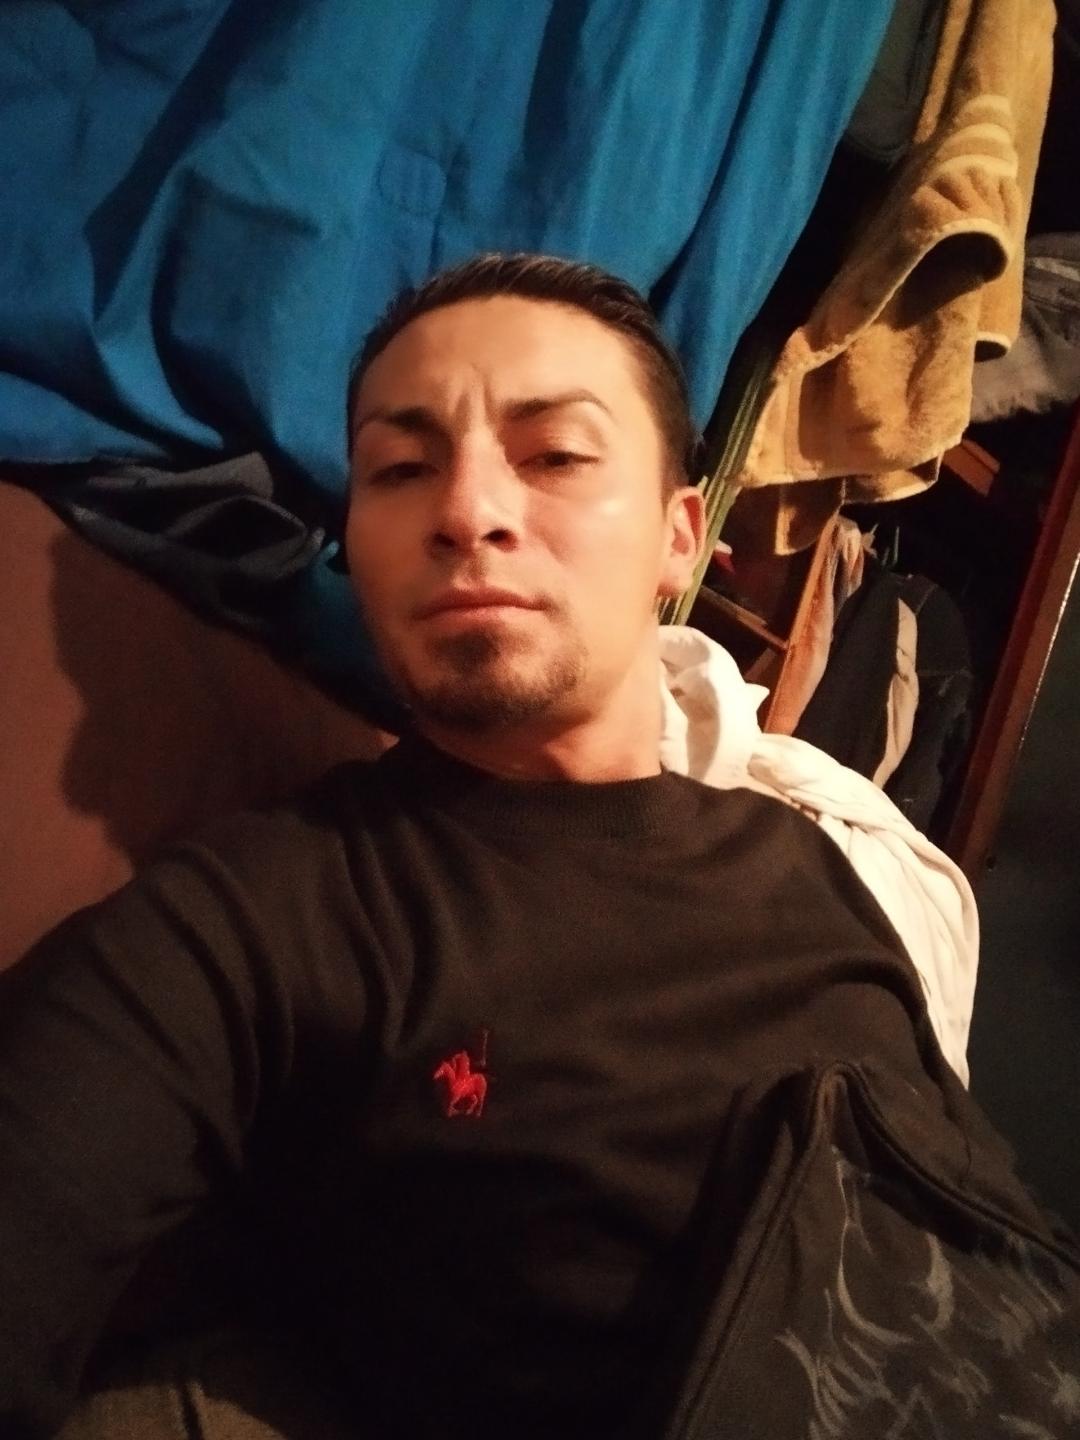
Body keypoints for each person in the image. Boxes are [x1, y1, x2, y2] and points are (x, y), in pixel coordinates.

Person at [1, 254, 1078, 1440]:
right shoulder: (263, 918)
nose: (467, 511)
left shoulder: (821, 865)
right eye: (400, 469)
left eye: (557, 455)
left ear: (680, 537)